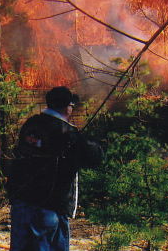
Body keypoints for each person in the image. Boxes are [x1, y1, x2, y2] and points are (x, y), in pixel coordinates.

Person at [6, 86, 104, 251]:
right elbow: (95, 157)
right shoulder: (66, 132)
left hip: (21, 204)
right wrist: (97, 143)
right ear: (68, 108)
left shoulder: (31, 124)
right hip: (49, 208)